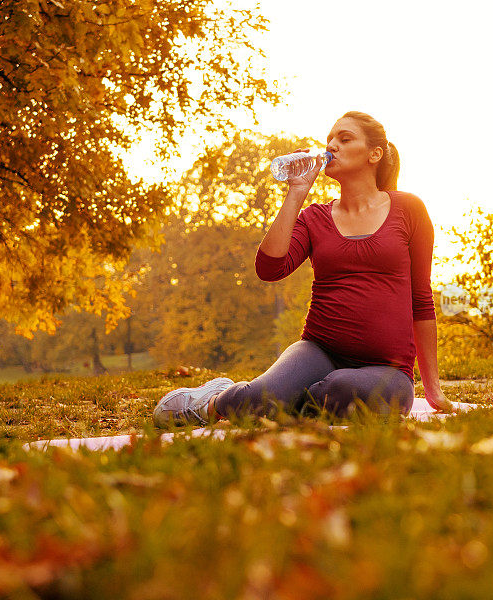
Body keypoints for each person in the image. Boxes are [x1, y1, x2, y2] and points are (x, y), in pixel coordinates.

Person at [153, 110, 457, 428]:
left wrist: (433, 389)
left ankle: (287, 401)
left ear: (374, 154)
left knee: (341, 391)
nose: (332, 146)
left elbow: (421, 299)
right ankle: (217, 399)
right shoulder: (315, 218)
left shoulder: (409, 209)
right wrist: (296, 191)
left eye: (345, 138)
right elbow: (269, 268)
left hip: (388, 371)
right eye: (329, 140)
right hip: (318, 351)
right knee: (268, 398)